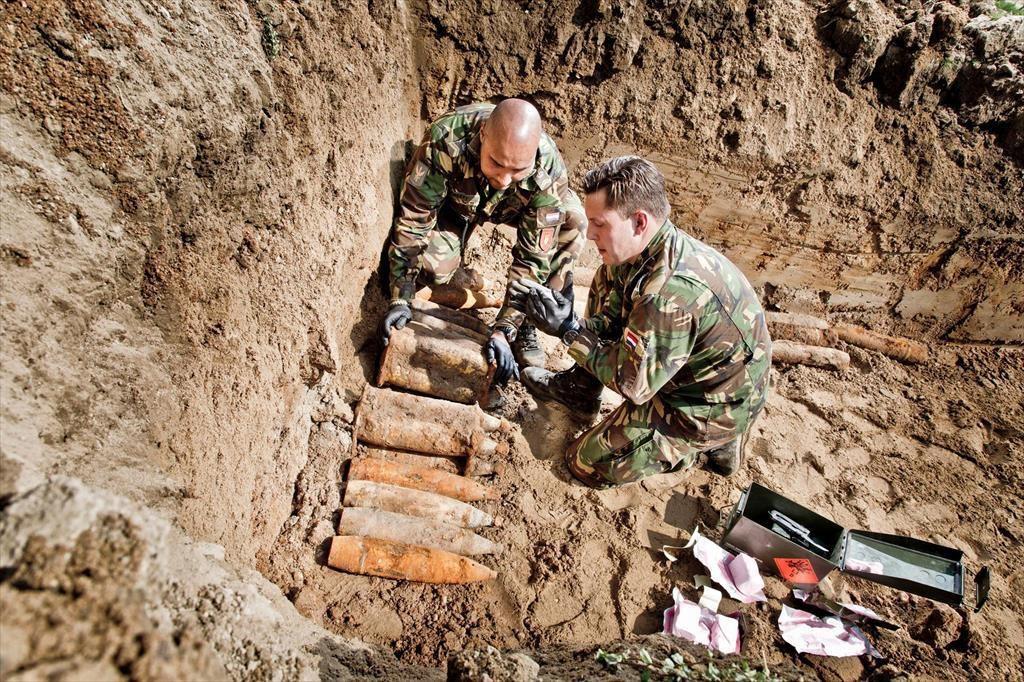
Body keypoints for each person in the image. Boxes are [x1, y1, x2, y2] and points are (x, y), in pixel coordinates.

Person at [509, 156, 771, 487]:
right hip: (690, 366)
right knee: (607, 277)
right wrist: (576, 322)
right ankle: (581, 389)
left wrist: (568, 331)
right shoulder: (644, 250)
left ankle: (710, 448)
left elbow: (634, 385)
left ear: (639, 222)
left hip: (707, 404)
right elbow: (614, 315)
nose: (590, 234)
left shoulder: (666, 295)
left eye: (600, 224)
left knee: (584, 464)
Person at [380, 99, 587, 384]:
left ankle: (529, 321)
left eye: (517, 170)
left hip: (515, 208)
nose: (504, 179)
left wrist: (505, 328)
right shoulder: (447, 138)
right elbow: (415, 220)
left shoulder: (548, 168)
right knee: (435, 268)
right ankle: (456, 256)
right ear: (483, 135)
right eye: (496, 163)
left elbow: (532, 259)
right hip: (456, 204)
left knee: (573, 222)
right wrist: (400, 295)